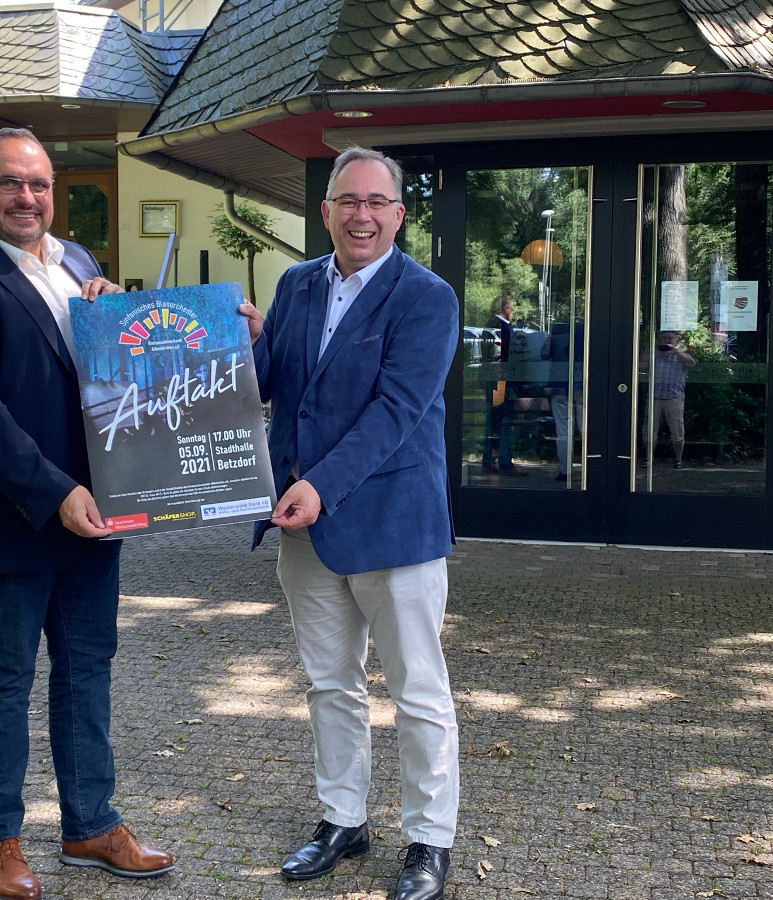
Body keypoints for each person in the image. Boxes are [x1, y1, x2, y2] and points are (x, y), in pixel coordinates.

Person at [0, 127, 174, 900]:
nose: (27, 198)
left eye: (39, 184)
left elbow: (115, 378)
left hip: (99, 516)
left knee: (89, 671)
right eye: (9, 184)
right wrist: (56, 492)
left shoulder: (82, 264)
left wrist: (120, 319)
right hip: (11, 519)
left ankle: (91, 823)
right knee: (5, 679)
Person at [239, 146, 459, 900]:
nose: (360, 214)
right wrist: (239, 343)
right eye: (346, 200)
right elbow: (269, 387)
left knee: (417, 691)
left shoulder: (426, 297)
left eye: (376, 201)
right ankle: (343, 821)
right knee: (330, 685)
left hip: (393, 525)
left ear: (399, 214)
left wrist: (319, 487)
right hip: (305, 529)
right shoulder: (297, 284)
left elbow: (396, 412)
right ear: (326, 210)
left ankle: (429, 841)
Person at [480, 296, 526, 476]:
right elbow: (505, 355)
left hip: (494, 380)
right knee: (504, 420)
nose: (512, 310)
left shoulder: (489, 326)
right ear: (505, 308)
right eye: (510, 307)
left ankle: (488, 460)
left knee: (492, 421)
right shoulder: (501, 328)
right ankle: (505, 462)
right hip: (502, 381)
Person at [644, 330, 696, 469]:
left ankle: (678, 459)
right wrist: (650, 349)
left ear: (676, 340)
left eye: (670, 338)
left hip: (674, 397)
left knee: (677, 430)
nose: (667, 340)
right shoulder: (654, 355)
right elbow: (641, 365)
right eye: (664, 338)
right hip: (654, 397)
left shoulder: (681, 356)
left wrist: (676, 352)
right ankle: (649, 460)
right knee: (650, 431)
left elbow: (692, 363)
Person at [543, 318, 584, 482]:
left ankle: (564, 471)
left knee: (563, 431)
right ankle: (590, 468)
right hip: (582, 386)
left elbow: (544, 354)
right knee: (585, 430)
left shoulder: (557, 333)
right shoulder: (586, 333)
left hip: (559, 386)